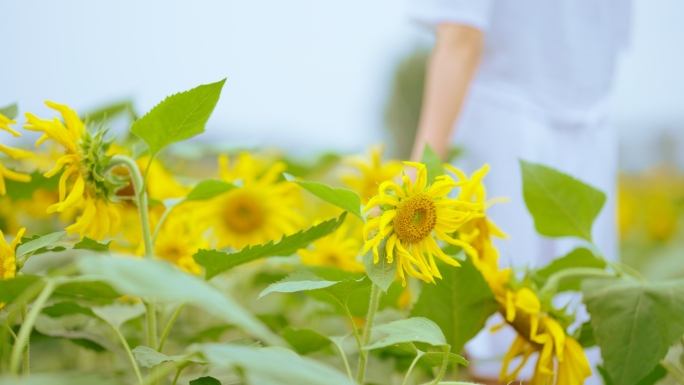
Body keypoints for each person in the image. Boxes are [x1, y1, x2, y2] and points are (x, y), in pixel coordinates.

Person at [407, 0, 631, 382]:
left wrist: (416, 179)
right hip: (592, 136)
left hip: (501, 136)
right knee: (579, 342)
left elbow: (461, 36)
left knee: (486, 340)